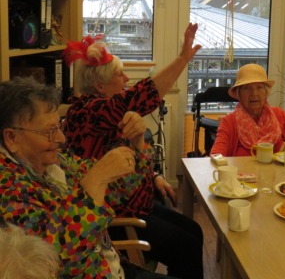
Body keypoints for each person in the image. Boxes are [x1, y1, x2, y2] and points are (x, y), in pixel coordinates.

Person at [62, 23, 204, 278]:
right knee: (187, 245)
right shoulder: (86, 112)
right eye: (120, 75)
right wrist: (182, 59)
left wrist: (154, 175)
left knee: (195, 231)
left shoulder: (108, 116)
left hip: (137, 202)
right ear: (100, 86)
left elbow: (137, 157)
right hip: (116, 216)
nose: (127, 80)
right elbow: (140, 96)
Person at [0, 77, 176, 278]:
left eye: (59, 127)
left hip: (111, 267)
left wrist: (137, 144)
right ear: (11, 138)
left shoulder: (55, 165)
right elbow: (56, 262)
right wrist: (96, 179)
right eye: (50, 131)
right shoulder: (8, 189)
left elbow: (118, 191)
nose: (61, 139)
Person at [210, 64, 285, 156]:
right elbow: (216, 155)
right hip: (243, 174)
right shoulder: (229, 122)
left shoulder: (280, 115)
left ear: (266, 92)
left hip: (278, 174)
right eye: (247, 88)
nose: (254, 93)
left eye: (259, 87)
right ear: (239, 94)